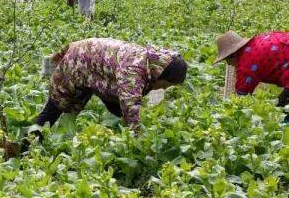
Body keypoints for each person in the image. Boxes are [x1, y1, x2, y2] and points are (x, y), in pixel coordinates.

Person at [34, 38, 187, 131]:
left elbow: (153, 95)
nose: (163, 89)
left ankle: (118, 133)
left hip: (98, 68)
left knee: (119, 109)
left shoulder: (156, 63)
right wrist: (138, 138)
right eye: (165, 85)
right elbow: (130, 106)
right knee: (57, 105)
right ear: (162, 76)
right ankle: (28, 144)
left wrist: (156, 113)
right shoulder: (133, 71)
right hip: (78, 63)